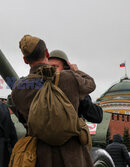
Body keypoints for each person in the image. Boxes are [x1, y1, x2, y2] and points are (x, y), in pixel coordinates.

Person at [11, 35, 96, 167]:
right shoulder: (69, 78)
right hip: (74, 156)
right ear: (46, 53)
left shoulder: (19, 88)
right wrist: (75, 70)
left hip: (41, 157)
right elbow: (91, 84)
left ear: (25, 60)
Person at [48, 49, 103, 123]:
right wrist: (76, 72)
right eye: (49, 67)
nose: (52, 70)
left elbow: (97, 116)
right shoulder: (42, 86)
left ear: (65, 68)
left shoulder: (74, 88)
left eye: (55, 66)